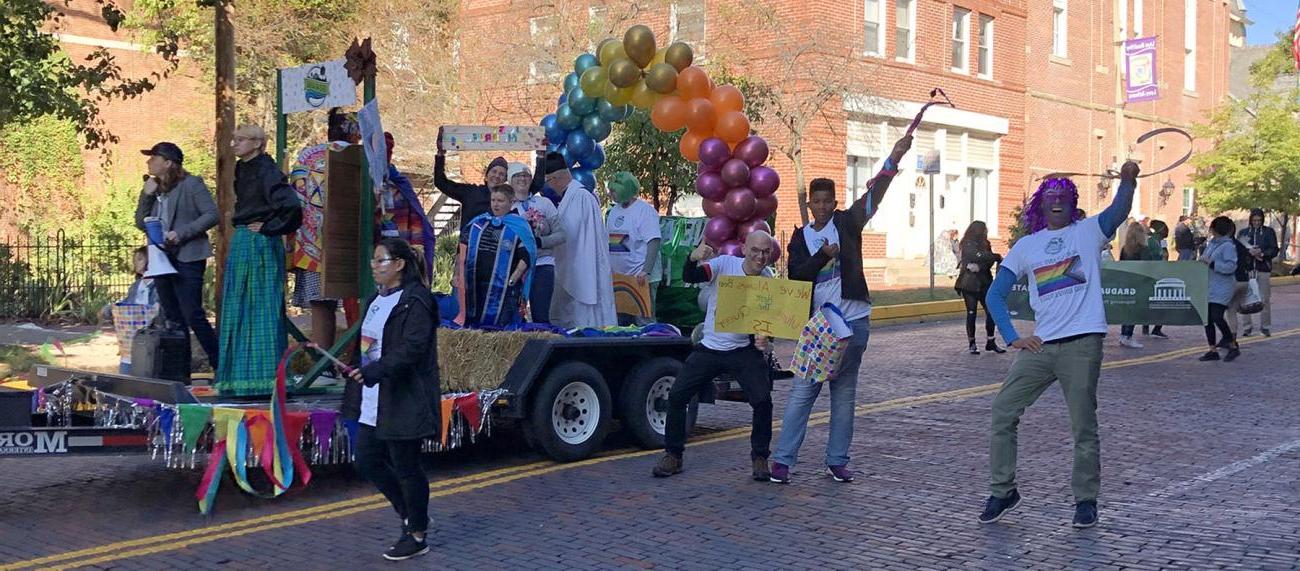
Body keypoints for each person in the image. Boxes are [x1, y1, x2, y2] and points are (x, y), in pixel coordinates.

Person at [980, 160, 1140, 529]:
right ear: (1039, 204)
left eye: (1063, 197)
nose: (1056, 202)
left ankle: (1086, 500)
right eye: (1050, 197)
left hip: (1082, 344)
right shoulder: (1026, 246)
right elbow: (995, 295)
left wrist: (1128, 180)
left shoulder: (1087, 232)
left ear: (1072, 203)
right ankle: (1003, 491)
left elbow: (1119, 210)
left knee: (1083, 426)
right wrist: (1013, 337)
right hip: (1040, 347)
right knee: (1003, 411)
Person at [769, 134, 911, 484]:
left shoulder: (848, 224)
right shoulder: (801, 238)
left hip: (855, 322)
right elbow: (798, 275)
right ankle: (783, 462)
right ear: (809, 203)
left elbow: (874, 197)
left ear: (834, 203)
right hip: (820, 328)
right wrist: (823, 256)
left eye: (826, 201)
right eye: (815, 201)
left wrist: (893, 159)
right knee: (804, 392)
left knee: (844, 394)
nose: (820, 207)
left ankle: (837, 461)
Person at [343, 238, 440, 561]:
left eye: (381, 261)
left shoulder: (417, 300)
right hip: (373, 397)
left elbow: (412, 349)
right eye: (373, 261)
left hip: (403, 396)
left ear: (399, 265)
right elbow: (366, 344)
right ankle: (413, 514)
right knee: (367, 460)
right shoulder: (374, 299)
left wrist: (376, 371)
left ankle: (416, 533)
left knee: (407, 466)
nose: (375, 267)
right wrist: (355, 367)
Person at [653, 231, 778, 481]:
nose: (760, 256)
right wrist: (692, 257)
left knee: (763, 401)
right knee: (677, 396)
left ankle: (760, 457)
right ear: (744, 249)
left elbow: (768, 322)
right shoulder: (724, 265)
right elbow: (690, 276)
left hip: (743, 349)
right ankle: (673, 455)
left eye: (766, 252)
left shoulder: (768, 280)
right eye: (755, 250)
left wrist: (766, 339)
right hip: (711, 346)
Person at [215, 124, 292, 396]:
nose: (234, 143)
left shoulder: (266, 170)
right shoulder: (243, 168)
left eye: (241, 139)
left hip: (258, 243)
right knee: (239, 306)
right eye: (234, 138)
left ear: (257, 143)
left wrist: (271, 227)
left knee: (260, 308)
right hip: (244, 240)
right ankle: (240, 377)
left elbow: (292, 206)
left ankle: (262, 377)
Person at [134, 141, 220, 371]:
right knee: (172, 317)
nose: (149, 162)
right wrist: (146, 196)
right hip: (162, 259)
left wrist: (181, 233)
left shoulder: (191, 184)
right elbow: (140, 222)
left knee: (192, 313)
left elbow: (212, 214)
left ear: (169, 163)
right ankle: (181, 371)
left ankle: (220, 365)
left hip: (188, 256)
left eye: (154, 158)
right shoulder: (153, 189)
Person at [287, 109, 357, 353]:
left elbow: (293, 198)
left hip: (310, 244)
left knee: (320, 303)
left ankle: (323, 364)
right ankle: (349, 360)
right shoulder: (358, 156)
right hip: (350, 242)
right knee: (355, 303)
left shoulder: (306, 156)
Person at [544, 152, 617, 329]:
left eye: (548, 181)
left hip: (584, 265)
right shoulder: (571, 197)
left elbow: (571, 233)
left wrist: (546, 237)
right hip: (574, 263)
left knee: (585, 315)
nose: (549, 186)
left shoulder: (580, 197)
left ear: (555, 178)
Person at [460, 185, 535, 326]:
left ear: (511, 202)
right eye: (493, 200)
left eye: (500, 201)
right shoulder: (479, 223)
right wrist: (457, 274)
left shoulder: (519, 226)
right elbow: (462, 249)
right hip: (476, 286)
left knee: (501, 328)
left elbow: (526, 255)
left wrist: (513, 279)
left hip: (504, 289)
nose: (495, 204)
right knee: (474, 326)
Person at [509, 161, 565, 323]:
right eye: (517, 175)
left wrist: (540, 242)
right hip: (514, 267)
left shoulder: (543, 203)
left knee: (540, 314)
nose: (522, 179)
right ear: (509, 180)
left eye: (526, 175)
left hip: (542, 263)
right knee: (515, 316)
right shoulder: (506, 205)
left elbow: (562, 235)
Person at [604, 171, 662, 310]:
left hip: (639, 278)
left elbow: (653, 241)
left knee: (643, 320)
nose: (610, 194)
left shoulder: (644, 211)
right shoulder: (613, 212)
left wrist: (646, 271)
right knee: (621, 320)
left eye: (613, 191)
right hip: (619, 277)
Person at [102, 247, 159, 374]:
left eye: (140, 259)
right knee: (127, 370)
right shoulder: (136, 285)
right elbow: (127, 303)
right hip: (129, 339)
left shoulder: (159, 285)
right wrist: (111, 310)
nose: (136, 263)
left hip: (148, 337)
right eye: (135, 260)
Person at [954, 221, 1006, 355]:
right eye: (983, 230)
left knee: (991, 311)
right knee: (972, 313)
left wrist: (982, 264)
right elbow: (973, 255)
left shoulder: (986, 243)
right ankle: (972, 342)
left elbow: (988, 261)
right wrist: (992, 257)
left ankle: (991, 340)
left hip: (985, 281)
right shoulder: (967, 242)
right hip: (970, 284)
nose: (985, 232)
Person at [1197, 217, 1241, 362]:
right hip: (1209, 285)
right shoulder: (1212, 244)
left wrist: (1212, 264)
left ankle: (1232, 345)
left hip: (1222, 287)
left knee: (1216, 316)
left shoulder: (1228, 246)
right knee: (1207, 319)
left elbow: (1231, 266)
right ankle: (1212, 349)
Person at [1236, 208, 1278, 337]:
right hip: (1247, 269)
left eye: (1259, 220)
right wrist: (1249, 253)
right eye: (1254, 220)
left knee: (1264, 298)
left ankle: (1265, 327)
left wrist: (1262, 253)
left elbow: (1274, 249)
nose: (1257, 223)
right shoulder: (1243, 233)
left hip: (1262, 268)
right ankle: (1247, 327)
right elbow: (1237, 249)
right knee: (1245, 299)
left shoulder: (1268, 232)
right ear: (1250, 220)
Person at [1117, 223, 1150, 349]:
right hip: (1139, 283)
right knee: (1134, 310)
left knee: (1127, 309)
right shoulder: (1143, 249)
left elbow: (1120, 265)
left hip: (1126, 282)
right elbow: (1147, 266)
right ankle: (1128, 336)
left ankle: (1123, 335)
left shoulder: (1125, 249)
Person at [1140, 220, 1169, 338]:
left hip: (1157, 273)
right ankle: (1153, 328)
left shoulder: (1159, 242)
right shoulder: (1152, 241)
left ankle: (1153, 327)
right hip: (1153, 274)